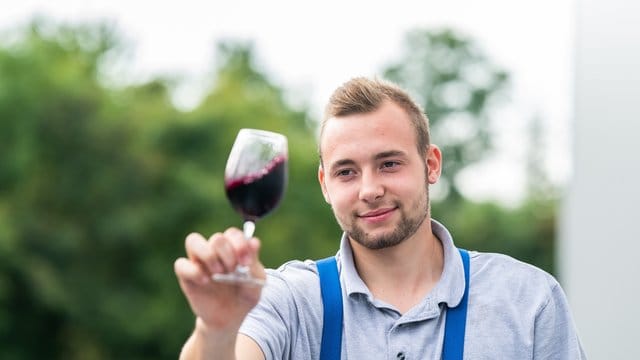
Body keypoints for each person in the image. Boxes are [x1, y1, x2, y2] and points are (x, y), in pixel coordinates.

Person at [174, 77, 586, 359]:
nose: (369, 189)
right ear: (324, 184)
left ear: (431, 165)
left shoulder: (528, 300)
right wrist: (216, 329)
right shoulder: (287, 300)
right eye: (346, 171)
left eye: (388, 164)